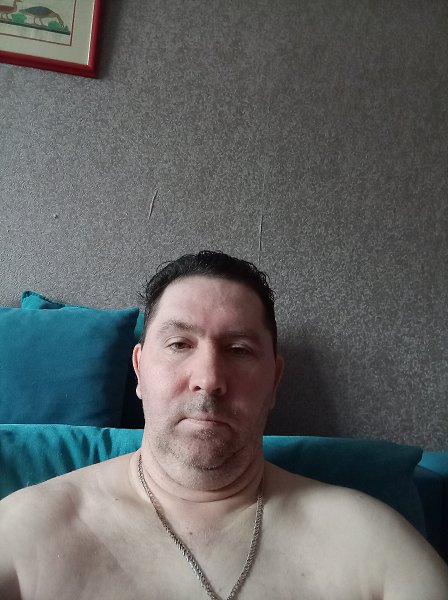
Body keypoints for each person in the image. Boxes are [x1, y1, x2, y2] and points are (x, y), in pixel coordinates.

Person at [1, 250, 447, 600]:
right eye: (179, 344)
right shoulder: (25, 533)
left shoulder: (370, 545)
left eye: (239, 350)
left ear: (274, 382)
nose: (209, 378)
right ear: (138, 371)